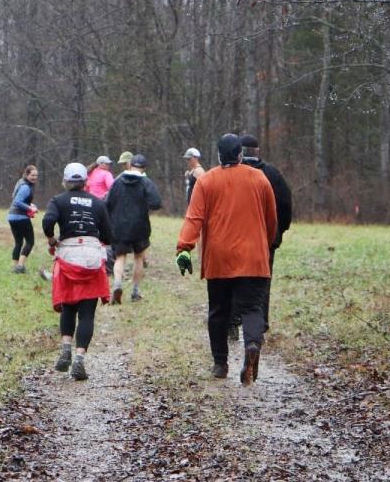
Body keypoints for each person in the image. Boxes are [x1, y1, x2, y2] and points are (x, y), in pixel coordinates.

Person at [175, 133, 277, 385]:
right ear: (241, 154)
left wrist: (184, 248)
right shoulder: (259, 178)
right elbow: (270, 218)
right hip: (253, 256)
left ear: (219, 155)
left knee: (219, 311)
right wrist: (267, 242)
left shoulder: (207, 181)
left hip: (219, 258)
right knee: (252, 308)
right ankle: (252, 345)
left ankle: (220, 364)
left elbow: (194, 218)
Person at [42, 162, 113, 380]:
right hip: (91, 257)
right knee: (87, 313)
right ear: (85, 182)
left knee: (68, 307)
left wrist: (52, 238)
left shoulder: (58, 200)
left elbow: (48, 221)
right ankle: (80, 359)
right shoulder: (97, 203)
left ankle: (65, 349)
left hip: (68, 257)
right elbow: (108, 235)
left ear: (65, 181)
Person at [237, 134, 293, 336]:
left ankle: (234, 321)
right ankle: (261, 322)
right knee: (263, 280)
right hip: (267, 238)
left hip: (238, 237)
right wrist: (280, 230)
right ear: (257, 151)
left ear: (239, 151)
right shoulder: (273, 174)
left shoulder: (232, 174)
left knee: (236, 278)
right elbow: (286, 204)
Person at [105, 153, 161, 303]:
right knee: (138, 257)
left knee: (120, 257)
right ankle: (135, 291)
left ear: (130, 165)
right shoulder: (146, 182)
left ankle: (117, 284)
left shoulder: (117, 181)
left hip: (119, 225)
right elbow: (156, 203)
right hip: (139, 225)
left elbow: (107, 202)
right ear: (143, 168)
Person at [8, 164, 39, 273]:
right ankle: (20, 267)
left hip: (11, 217)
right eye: (32, 175)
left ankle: (14, 267)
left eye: (36, 175)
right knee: (30, 242)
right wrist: (30, 208)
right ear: (26, 174)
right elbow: (17, 201)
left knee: (18, 243)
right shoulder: (26, 186)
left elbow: (15, 197)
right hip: (21, 218)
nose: (34, 177)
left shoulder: (20, 182)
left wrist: (30, 205)